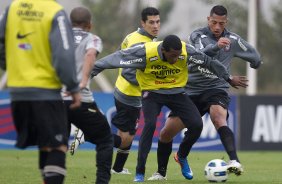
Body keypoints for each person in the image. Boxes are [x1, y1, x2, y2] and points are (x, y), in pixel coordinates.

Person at [90, 34, 242, 182]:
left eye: (177, 55)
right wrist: (93, 70)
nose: (175, 59)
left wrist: (228, 78)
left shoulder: (185, 51)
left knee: (197, 125)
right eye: (172, 56)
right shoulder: (145, 52)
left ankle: (181, 156)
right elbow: (116, 58)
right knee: (149, 125)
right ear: (163, 50)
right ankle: (140, 173)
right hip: (152, 93)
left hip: (177, 92)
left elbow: (208, 62)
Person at [148, 5, 262, 181]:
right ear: (208, 20)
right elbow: (199, 55)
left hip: (217, 88)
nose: (217, 27)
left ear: (226, 22)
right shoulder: (197, 35)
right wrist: (216, 46)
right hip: (191, 90)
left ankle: (234, 161)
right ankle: (161, 172)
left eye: (221, 23)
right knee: (166, 133)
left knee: (218, 117)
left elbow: (253, 54)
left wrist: (256, 62)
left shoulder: (233, 39)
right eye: (214, 22)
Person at [70, 7, 160, 175]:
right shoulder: (140, 43)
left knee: (125, 134)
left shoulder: (132, 36)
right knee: (126, 138)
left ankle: (118, 168)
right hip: (130, 94)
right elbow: (128, 71)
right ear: (143, 23)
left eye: (158, 22)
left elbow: (119, 55)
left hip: (122, 90)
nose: (156, 26)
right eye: (151, 22)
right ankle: (88, 135)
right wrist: (152, 83)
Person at [0, 1, 81, 184]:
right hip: (46, 93)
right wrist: (73, 87)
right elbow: (64, 55)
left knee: (45, 146)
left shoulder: (12, 8)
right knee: (57, 147)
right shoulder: (55, 12)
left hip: (17, 92)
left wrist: (8, 64)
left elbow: (1, 41)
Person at [64, 7, 113, 184]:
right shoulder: (92, 38)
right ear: (89, 25)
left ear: (69, 24)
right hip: (80, 100)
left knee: (56, 146)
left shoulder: (58, 37)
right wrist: (83, 81)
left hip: (54, 100)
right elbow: (91, 54)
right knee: (105, 140)